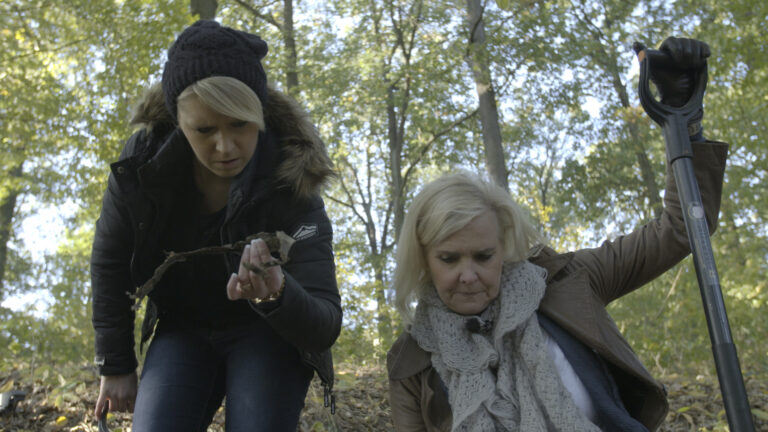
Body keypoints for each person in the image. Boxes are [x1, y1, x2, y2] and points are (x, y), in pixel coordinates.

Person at [387, 38, 725, 431]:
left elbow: (680, 230)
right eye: (449, 259)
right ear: (424, 258)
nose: (468, 275)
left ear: (503, 249)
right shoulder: (411, 360)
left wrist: (686, 125)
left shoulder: (566, 283)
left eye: (483, 256)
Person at [90, 20, 341, 431]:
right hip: (182, 328)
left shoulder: (293, 176)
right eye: (204, 129)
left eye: (240, 124)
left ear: (259, 113)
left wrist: (277, 293)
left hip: (269, 332)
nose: (225, 147)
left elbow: (324, 324)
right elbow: (110, 260)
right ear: (178, 120)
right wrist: (115, 364)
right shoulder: (144, 165)